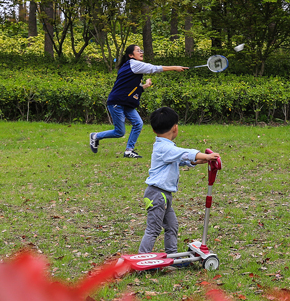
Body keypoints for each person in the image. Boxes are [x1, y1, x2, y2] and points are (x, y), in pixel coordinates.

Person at [138, 107, 221, 254]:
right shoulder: (164, 147)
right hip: (158, 195)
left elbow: (179, 159)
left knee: (172, 226)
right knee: (154, 229)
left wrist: (196, 161)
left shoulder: (165, 147)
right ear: (175, 128)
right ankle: (141, 258)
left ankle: (172, 255)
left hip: (163, 195)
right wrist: (205, 156)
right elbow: (183, 153)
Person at [89, 45, 188, 158]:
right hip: (117, 102)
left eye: (141, 50)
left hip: (126, 102)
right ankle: (96, 136)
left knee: (138, 123)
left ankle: (129, 151)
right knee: (119, 132)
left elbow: (131, 88)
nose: (141, 52)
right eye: (138, 51)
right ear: (131, 55)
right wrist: (175, 67)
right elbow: (153, 68)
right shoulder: (133, 63)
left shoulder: (132, 67)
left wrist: (144, 85)